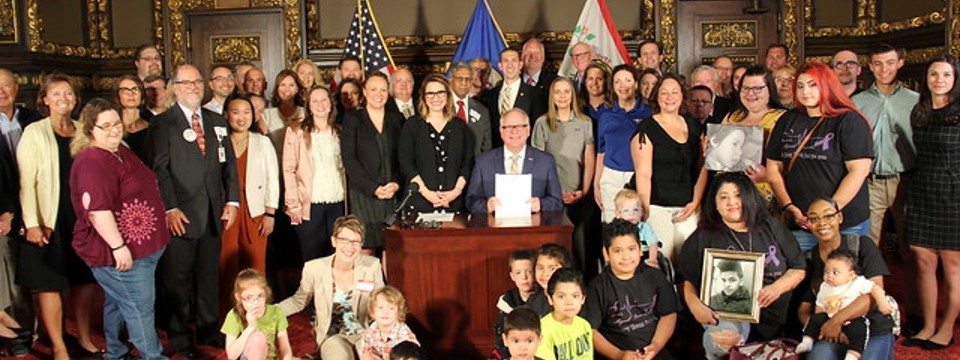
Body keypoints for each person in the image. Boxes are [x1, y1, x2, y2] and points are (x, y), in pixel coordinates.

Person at [147, 64, 241, 358]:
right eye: (186, 83)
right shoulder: (164, 123)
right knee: (177, 280)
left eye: (197, 81)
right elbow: (159, 170)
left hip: (213, 213)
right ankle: (180, 338)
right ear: (174, 88)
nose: (192, 87)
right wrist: (169, 207)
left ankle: (209, 329)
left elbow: (229, 165)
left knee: (208, 277)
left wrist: (232, 201)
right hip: (180, 215)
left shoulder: (216, 120)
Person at [68, 98, 169, 360]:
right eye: (105, 126)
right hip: (121, 252)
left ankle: (116, 352)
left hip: (142, 247)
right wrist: (118, 246)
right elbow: (97, 211)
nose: (114, 129)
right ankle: (153, 356)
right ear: (90, 130)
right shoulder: (92, 161)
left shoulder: (119, 149)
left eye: (116, 123)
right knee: (139, 308)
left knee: (118, 302)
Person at [18, 74, 102, 360]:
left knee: (84, 280)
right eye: (56, 94)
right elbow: (26, 181)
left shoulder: (83, 131)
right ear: (44, 99)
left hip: (82, 219)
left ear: (75, 99)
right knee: (50, 283)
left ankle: (84, 338)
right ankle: (59, 347)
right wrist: (32, 223)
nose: (63, 99)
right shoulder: (35, 132)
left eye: (68, 93)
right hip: (48, 219)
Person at [678, 173, 805, 359]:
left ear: (749, 197)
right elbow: (684, 277)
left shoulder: (772, 227)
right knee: (723, 340)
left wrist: (777, 288)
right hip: (726, 314)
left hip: (775, 317)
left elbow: (799, 267)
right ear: (715, 203)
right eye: (724, 197)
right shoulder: (704, 235)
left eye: (738, 195)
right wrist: (695, 306)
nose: (732, 202)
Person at [764, 62, 873, 252]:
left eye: (812, 84)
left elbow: (859, 171)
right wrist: (788, 206)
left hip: (843, 222)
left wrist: (827, 212)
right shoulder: (787, 120)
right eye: (800, 86)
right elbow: (773, 168)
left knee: (841, 269)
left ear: (827, 85)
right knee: (798, 269)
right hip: (800, 220)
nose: (805, 91)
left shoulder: (849, 120)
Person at [904, 54, 960, 351]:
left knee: (952, 266)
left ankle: (947, 327)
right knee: (923, 261)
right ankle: (927, 326)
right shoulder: (920, 111)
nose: (939, 80)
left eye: (946, 74)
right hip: (922, 189)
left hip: (953, 193)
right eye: (934, 74)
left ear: (955, 79)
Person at [800, 198, 897, 359]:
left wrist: (836, 321)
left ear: (839, 217)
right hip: (831, 332)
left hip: (872, 329)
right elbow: (804, 309)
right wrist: (824, 328)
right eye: (814, 218)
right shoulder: (809, 258)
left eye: (828, 216)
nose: (822, 223)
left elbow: (873, 294)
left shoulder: (862, 245)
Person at [278, 215, 385, 358]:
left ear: (361, 245)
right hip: (332, 336)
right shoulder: (314, 268)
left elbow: (383, 302)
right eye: (344, 240)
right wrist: (268, 311)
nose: (349, 247)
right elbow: (298, 302)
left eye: (355, 241)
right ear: (334, 241)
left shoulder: (372, 266)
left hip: (364, 334)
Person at [631, 73, 708, 261]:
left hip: (688, 205)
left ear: (682, 96)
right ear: (657, 97)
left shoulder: (694, 126)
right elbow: (643, 173)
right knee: (663, 258)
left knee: (689, 260)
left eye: (674, 92)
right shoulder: (647, 128)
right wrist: (644, 209)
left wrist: (695, 202)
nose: (669, 97)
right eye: (664, 92)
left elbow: (702, 167)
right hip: (657, 206)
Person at [851, 43, 918, 248]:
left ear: (900, 63)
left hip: (905, 181)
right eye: (878, 64)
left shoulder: (915, 101)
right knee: (869, 244)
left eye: (890, 63)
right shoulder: (857, 102)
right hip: (871, 182)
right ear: (871, 66)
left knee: (910, 243)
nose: (884, 69)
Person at [582, 219, 677, 360]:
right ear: (606, 254)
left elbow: (668, 314)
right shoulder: (597, 287)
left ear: (640, 250)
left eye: (631, 249)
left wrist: (656, 346)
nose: (626, 256)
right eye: (618, 251)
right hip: (616, 355)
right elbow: (590, 331)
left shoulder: (655, 276)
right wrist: (619, 355)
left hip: (654, 351)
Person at [219, 96, 279, 314]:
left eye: (247, 112)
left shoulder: (262, 142)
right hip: (227, 209)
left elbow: (273, 178)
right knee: (226, 265)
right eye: (236, 112)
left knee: (256, 264)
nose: (241, 117)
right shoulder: (219, 141)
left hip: (256, 210)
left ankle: (258, 315)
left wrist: (270, 213)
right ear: (226, 115)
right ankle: (228, 317)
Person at [532, 77, 596, 279]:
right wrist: (554, 193)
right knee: (556, 246)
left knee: (581, 245)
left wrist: (584, 190)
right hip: (553, 195)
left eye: (566, 91)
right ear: (552, 96)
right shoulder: (542, 123)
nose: (562, 96)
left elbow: (589, 158)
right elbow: (538, 163)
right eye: (557, 92)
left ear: (572, 95)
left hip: (579, 194)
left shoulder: (585, 122)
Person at [0, 68, 41, 353]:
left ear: (16, 87)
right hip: (4, 210)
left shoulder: (33, 119)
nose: (1, 92)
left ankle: (32, 331)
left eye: (6, 85)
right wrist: (5, 209)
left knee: (33, 272)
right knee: (10, 273)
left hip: (35, 206)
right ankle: (17, 338)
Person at [341, 73, 403, 253]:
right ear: (364, 92)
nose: (379, 94)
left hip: (392, 195)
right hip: (364, 195)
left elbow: (404, 157)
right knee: (366, 249)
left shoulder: (397, 119)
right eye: (373, 89)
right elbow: (349, 159)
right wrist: (373, 188)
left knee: (393, 250)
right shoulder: (353, 119)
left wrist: (396, 184)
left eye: (383, 90)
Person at [283, 86, 346, 261]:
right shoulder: (296, 131)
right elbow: (288, 170)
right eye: (315, 101)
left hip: (338, 201)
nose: (320, 104)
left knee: (336, 255)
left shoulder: (340, 131)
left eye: (324, 100)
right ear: (309, 106)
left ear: (331, 104)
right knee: (313, 257)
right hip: (309, 204)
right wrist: (293, 205)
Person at [796, 248, 893, 359]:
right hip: (830, 320)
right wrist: (824, 326)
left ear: (851, 275)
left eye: (835, 273)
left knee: (859, 330)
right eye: (826, 271)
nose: (829, 275)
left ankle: (852, 355)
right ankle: (807, 341)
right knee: (814, 319)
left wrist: (882, 302)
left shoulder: (857, 282)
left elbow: (875, 288)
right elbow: (819, 306)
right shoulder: (825, 286)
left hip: (853, 320)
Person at [398, 75, 474, 214]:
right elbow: (405, 162)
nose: (436, 98)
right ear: (423, 97)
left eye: (440, 93)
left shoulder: (461, 127)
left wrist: (456, 192)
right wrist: (426, 192)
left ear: (448, 95)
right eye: (430, 93)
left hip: (453, 203)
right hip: (420, 203)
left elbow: (467, 162)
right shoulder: (412, 125)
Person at [465, 108, 563, 214]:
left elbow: (557, 201)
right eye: (508, 127)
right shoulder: (483, 162)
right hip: (495, 223)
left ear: (528, 130)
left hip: (533, 223)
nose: (514, 131)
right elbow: (471, 201)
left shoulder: (546, 161)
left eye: (520, 126)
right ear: (501, 131)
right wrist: (487, 206)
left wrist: (540, 204)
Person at [721, 65, 786, 215]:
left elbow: (796, 165)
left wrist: (768, 175)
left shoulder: (782, 119)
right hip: (731, 196)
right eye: (745, 88)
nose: (750, 94)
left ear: (769, 90)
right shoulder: (733, 117)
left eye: (757, 89)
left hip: (766, 198)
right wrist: (711, 148)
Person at [595, 65, 652, 222]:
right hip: (611, 176)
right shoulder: (606, 116)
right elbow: (601, 151)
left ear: (636, 84)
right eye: (617, 81)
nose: (623, 85)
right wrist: (596, 184)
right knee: (611, 224)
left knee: (638, 225)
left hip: (638, 176)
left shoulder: (648, 113)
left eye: (627, 80)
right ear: (613, 86)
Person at [222, 268, 292, 360]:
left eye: (260, 296)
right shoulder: (234, 315)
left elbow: (285, 348)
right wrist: (250, 327)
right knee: (257, 338)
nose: (256, 302)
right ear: (238, 297)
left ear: (266, 293)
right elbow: (232, 355)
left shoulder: (276, 312)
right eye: (249, 298)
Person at [482, 48, 547, 148]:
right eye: (506, 61)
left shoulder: (535, 94)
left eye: (514, 60)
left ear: (520, 64)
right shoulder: (489, 95)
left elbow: (538, 129)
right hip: (496, 152)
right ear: (500, 66)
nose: (510, 65)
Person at [534, 268, 593, 360]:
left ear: (583, 299)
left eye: (575, 296)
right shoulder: (543, 330)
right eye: (561, 296)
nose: (569, 302)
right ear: (550, 299)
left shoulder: (584, 325)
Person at [494, 249, 537, 357]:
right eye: (518, 273)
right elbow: (501, 336)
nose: (524, 277)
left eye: (529, 271)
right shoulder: (508, 301)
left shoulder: (544, 300)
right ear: (512, 276)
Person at [356, 286, 420, 359]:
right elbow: (363, 355)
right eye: (380, 308)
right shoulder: (369, 333)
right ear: (373, 312)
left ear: (399, 312)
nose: (385, 312)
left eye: (391, 308)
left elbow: (414, 356)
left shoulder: (404, 335)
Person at [448, 62, 493, 154]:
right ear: (450, 80)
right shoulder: (441, 106)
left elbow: (487, 146)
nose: (464, 83)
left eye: (468, 79)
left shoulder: (482, 110)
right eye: (459, 78)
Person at [613, 189, 659, 267]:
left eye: (635, 210)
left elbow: (653, 244)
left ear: (641, 212)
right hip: (625, 257)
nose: (631, 214)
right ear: (618, 214)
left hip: (644, 256)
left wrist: (652, 260)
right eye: (626, 211)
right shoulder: (616, 229)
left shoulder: (645, 228)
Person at [113, 74, 152, 161]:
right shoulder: (112, 127)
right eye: (125, 90)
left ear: (142, 94)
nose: (131, 94)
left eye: (135, 89)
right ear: (117, 95)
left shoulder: (152, 126)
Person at [263, 70, 306, 141]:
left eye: (291, 85)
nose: (287, 89)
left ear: (297, 89)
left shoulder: (305, 113)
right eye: (283, 85)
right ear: (277, 88)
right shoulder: (266, 115)